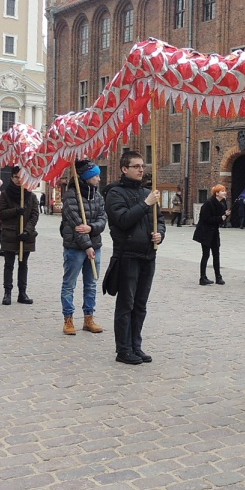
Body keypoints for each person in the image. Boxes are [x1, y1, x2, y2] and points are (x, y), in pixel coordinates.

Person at [102, 150, 165, 365]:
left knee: (141, 304)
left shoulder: (147, 192)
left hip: (148, 255)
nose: (141, 170)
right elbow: (122, 219)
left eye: (142, 166)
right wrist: (145, 203)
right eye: (136, 166)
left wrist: (160, 234)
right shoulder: (114, 193)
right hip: (127, 255)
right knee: (126, 304)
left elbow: (160, 220)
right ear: (124, 169)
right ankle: (123, 349)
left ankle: (136, 345)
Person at [60, 160, 108, 336]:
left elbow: (103, 219)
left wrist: (92, 228)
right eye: (95, 175)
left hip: (95, 245)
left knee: (91, 283)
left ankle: (89, 317)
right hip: (75, 247)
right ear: (87, 177)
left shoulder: (97, 196)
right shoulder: (71, 196)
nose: (98, 178)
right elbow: (76, 225)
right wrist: (87, 245)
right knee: (69, 284)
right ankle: (68, 318)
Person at [0, 166, 39, 305]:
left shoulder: (31, 195)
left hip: (25, 235)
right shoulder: (5, 194)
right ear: (11, 178)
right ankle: (7, 292)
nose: (18, 180)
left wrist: (27, 231)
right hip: (10, 233)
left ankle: (22, 292)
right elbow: (1, 213)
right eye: (16, 177)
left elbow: (34, 215)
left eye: (21, 177)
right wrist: (16, 211)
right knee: (9, 264)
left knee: (23, 264)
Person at [193, 184, 230, 285]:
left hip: (214, 232)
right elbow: (206, 219)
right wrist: (220, 218)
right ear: (217, 193)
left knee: (216, 254)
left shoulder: (222, 203)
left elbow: (221, 219)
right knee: (206, 255)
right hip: (205, 232)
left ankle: (218, 276)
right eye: (222, 191)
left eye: (224, 190)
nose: (224, 192)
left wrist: (225, 216)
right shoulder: (209, 203)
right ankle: (202, 277)